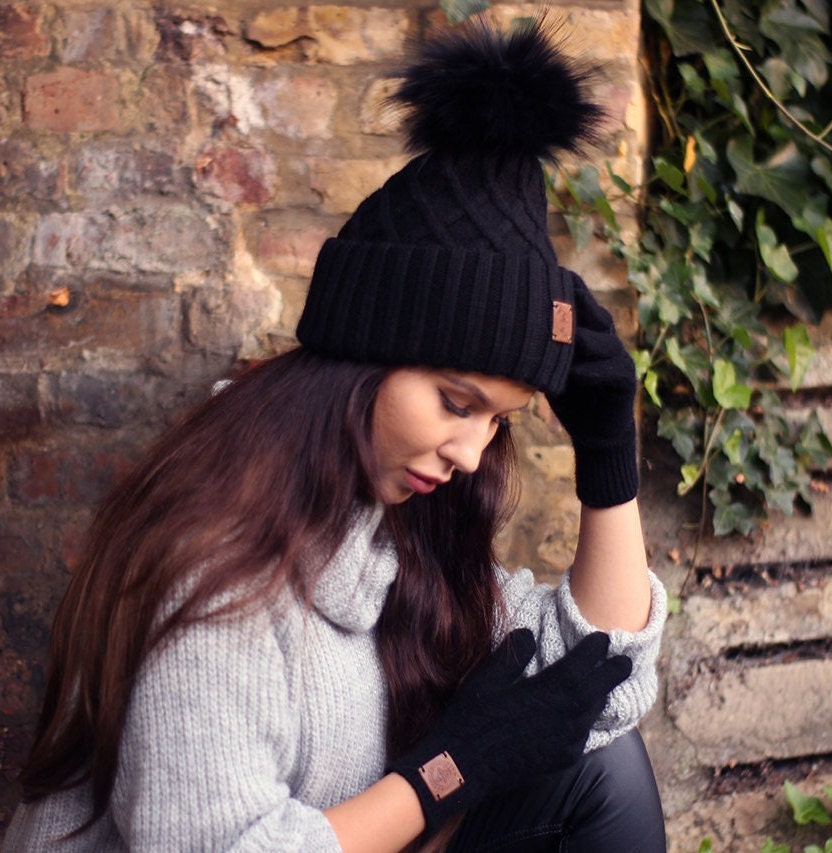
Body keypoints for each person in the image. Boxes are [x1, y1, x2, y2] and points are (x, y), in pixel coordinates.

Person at [4, 17, 668, 853]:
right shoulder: (217, 565)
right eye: (456, 402)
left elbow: (600, 685)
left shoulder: (391, 524)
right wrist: (448, 769)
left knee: (599, 767)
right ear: (362, 357)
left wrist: (609, 459)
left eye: (499, 419)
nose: (471, 455)